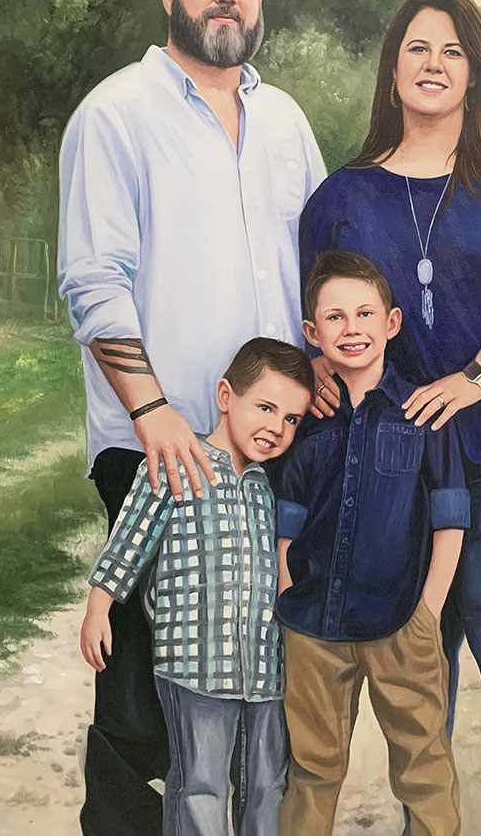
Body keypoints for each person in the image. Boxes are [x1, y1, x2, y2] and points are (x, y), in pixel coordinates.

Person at [298, 0, 481, 836]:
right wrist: (317, 362)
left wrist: (476, 375)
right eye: (418, 49)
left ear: (478, 71)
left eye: (453, 51)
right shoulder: (340, 197)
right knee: (418, 650)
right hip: (398, 468)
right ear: (393, 70)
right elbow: (321, 313)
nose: (433, 64)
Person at [57, 0, 326, 836]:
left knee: (259, 669)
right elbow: (93, 278)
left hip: (273, 438)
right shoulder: (117, 113)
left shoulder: (285, 120)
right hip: (159, 444)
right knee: (142, 689)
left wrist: (321, 371)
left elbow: (319, 266)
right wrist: (154, 410)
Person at [80, 337, 314, 836]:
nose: (276, 427)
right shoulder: (174, 462)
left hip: (265, 669)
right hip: (193, 665)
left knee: (269, 784)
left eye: (291, 419)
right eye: (266, 407)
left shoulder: (273, 487)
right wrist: (99, 606)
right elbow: (129, 543)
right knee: (200, 786)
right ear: (227, 396)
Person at [276, 249, 470, 836]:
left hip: (399, 624)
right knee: (311, 768)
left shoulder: (424, 414)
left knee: (422, 764)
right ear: (313, 333)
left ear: (391, 324)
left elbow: (450, 519)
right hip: (313, 627)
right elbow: (289, 519)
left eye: (364, 314)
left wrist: (428, 612)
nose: (351, 329)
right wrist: (289, 594)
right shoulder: (306, 420)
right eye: (334, 318)